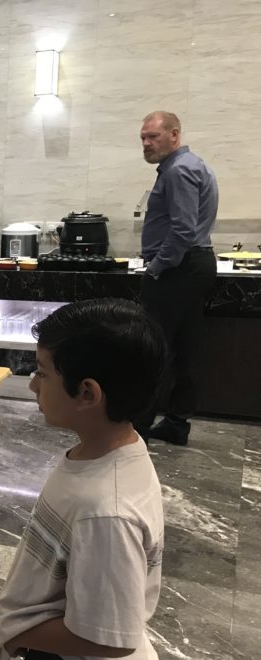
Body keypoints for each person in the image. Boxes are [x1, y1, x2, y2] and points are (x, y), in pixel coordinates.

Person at [0, 299, 167, 660]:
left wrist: (17, 630)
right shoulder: (104, 450)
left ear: (87, 392)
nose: (32, 383)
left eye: (42, 372)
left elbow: (112, 637)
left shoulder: (107, 510)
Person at [136, 110, 218, 446]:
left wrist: (156, 267)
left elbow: (183, 230)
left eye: (153, 136)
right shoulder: (187, 166)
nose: (146, 143)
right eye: (143, 137)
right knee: (185, 348)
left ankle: (138, 425)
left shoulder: (179, 169)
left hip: (177, 268)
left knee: (153, 347)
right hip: (192, 266)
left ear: (175, 135)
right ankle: (176, 423)